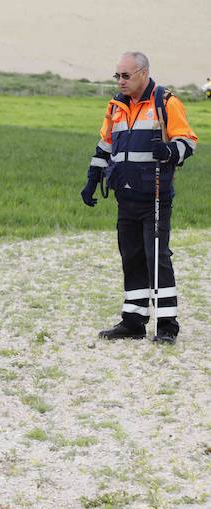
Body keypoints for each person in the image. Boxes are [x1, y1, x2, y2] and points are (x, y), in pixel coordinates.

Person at [80, 52, 198, 344]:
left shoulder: (166, 102)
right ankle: (133, 322)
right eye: (117, 76)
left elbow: (188, 141)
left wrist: (171, 151)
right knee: (131, 257)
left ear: (143, 74)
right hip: (125, 196)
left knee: (156, 257)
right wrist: (93, 178)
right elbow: (105, 145)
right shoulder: (116, 106)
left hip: (155, 197)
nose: (120, 81)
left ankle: (167, 326)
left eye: (125, 76)